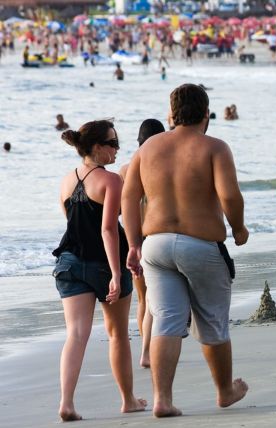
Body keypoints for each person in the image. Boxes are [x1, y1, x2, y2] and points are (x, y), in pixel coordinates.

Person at [122, 84, 249, 417]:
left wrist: (133, 242)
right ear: (206, 114)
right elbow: (230, 196)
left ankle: (162, 399)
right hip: (200, 245)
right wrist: (238, 227)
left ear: (171, 113)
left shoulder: (148, 148)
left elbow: (129, 197)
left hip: (155, 245)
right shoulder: (215, 147)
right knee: (212, 322)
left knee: (166, 320)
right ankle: (224, 392)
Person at [52, 120, 147, 421]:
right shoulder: (111, 181)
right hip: (105, 264)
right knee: (117, 333)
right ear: (96, 147)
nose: (117, 148)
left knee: (76, 334)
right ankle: (128, 400)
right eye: (112, 143)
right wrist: (117, 274)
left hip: (68, 262)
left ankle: (66, 403)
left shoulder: (67, 179)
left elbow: (72, 223)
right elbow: (107, 230)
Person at [119, 118, 166, 368]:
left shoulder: (126, 169)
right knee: (159, 300)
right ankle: (151, 348)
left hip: (133, 239)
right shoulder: (164, 164)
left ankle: (146, 350)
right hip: (157, 234)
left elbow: (116, 208)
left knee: (143, 299)